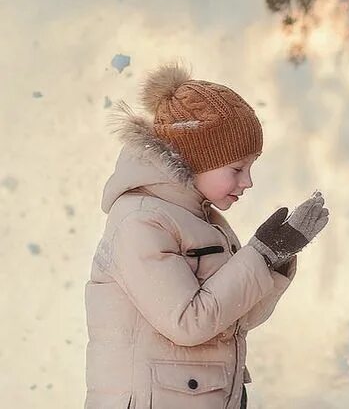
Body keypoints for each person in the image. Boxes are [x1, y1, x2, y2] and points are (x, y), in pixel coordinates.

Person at [84, 61, 329, 408]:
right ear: (197, 159)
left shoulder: (203, 221)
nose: (247, 182)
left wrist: (276, 256)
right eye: (237, 168)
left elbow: (234, 318)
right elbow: (188, 322)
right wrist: (259, 254)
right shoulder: (140, 222)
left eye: (251, 167)